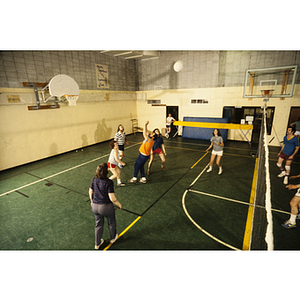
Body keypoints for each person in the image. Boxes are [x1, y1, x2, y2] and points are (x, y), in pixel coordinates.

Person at [89, 163, 122, 249]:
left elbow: (90, 191)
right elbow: (112, 198)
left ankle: (97, 243)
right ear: (106, 171)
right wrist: (119, 204)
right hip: (105, 207)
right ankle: (113, 238)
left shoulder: (94, 179)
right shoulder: (109, 182)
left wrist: (92, 201)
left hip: (95, 206)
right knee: (111, 222)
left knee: (98, 224)